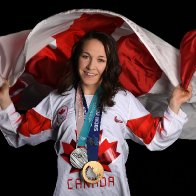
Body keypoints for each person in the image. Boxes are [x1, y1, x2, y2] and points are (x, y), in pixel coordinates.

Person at [0, 30, 192, 196]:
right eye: (86, 56)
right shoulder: (58, 99)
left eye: (101, 60)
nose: (91, 66)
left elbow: (156, 136)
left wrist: (174, 103)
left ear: (109, 65)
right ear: (77, 58)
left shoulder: (123, 99)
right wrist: (4, 100)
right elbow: (21, 133)